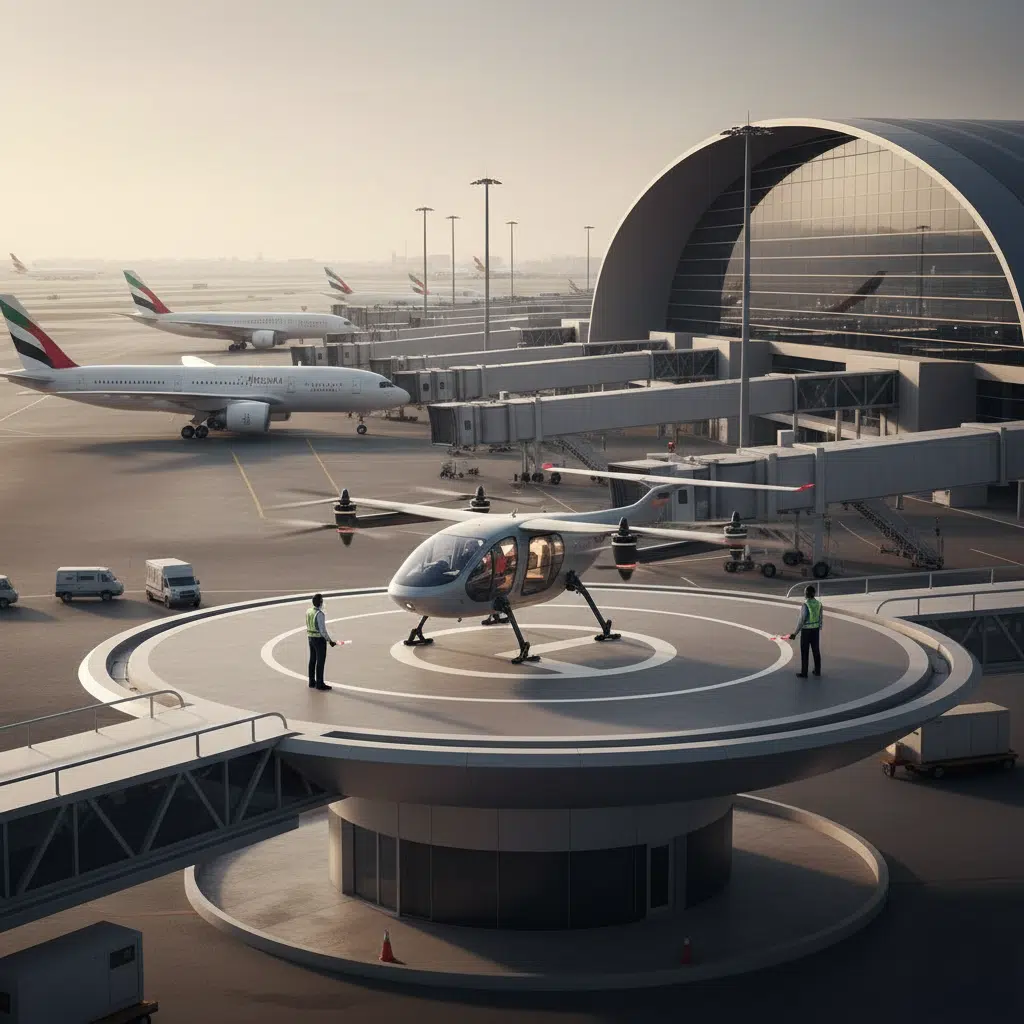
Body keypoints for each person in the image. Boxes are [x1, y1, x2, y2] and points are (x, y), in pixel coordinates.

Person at [789, 584, 823, 678]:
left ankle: (804, 673)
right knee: (816, 650)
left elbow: (801, 620)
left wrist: (795, 633)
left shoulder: (805, 605)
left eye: (805, 592)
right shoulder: (819, 604)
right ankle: (817, 670)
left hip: (806, 631)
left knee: (805, 652)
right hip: (815, 630)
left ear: (807, 594)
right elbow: (820, 617)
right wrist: (819, 627)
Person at [306, 593, 337, 691]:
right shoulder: (319, 614)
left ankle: (311, 681)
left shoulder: (309, 611)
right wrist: (329, 640)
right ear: (319, 602)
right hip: (319, 639)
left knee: (312, 659)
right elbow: (322, 630)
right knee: (320, 661)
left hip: (310, 637)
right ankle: (319, 683)